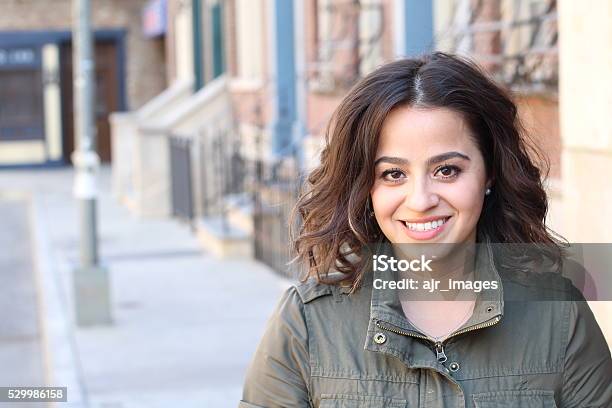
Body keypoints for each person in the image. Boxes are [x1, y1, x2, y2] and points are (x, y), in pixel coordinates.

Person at [239, 53, 612, 407]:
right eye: (393, 174)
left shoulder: (560, 316)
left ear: (490, 172)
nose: (420, 200)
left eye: (447, 170)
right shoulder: (307, 322)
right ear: (365, 185)